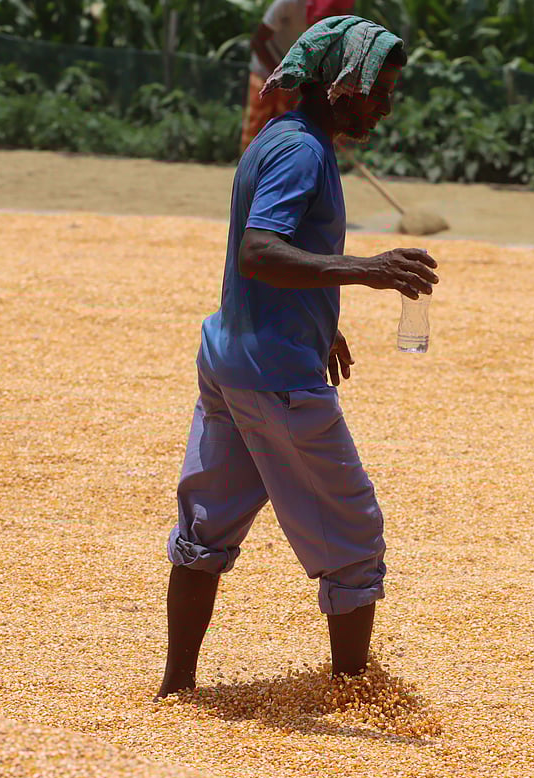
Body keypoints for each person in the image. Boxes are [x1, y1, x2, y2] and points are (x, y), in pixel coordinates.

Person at [157, 16, 438, 699]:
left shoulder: (279, 139)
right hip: (276, 378)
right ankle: (355, 694)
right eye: (379, 90)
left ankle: (177, 688)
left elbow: (271, 260)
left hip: (232, 359)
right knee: (353, 531)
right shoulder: (303, 153)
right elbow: (259, 251)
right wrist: (365, 269)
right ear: (342, 83)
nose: (385, 106)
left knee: (206, 525)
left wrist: (322, 319)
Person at [241, 0, 356, 153]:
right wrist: (281, 77)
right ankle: (249, 170)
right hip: (266, 70)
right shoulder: (289, 4)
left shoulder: (337, 21)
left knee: (287, 133)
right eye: (332, 10)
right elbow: (257, 42)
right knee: (256, 128)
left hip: (296, 77)